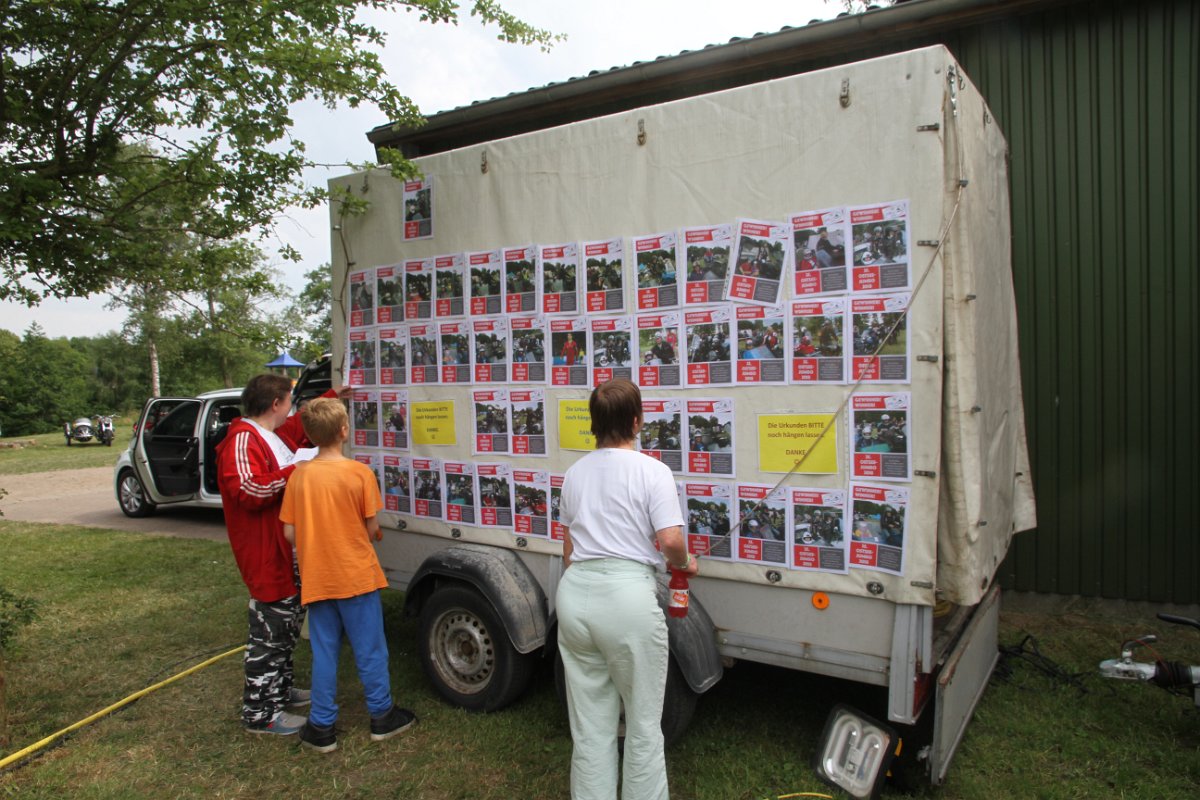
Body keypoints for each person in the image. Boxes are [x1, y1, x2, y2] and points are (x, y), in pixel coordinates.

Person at [556, 379, 700, 800]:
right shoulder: (653, 471)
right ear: (636, 421)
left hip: (576, 593)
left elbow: (568, 551)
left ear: (594, 424)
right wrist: (686, 564)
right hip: (626, 599)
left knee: (590, 725)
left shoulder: (574, 473)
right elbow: (671, 540)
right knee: (641, 723)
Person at [279, 398, 417, 753]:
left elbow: (290, 533)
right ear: (344, 430)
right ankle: (381, 716)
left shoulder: (299, 476)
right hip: (357, 576)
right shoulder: (359, 473)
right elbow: (372, 529)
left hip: (318, 578)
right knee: (369, 649)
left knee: (325, 652)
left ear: (308, 435)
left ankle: (322, 727)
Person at [216, 374, 341, 735]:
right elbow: (248, 487)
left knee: (285, 628)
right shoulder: (242, 438)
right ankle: (260, 714)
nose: (293, 407)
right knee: (268, 637)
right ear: (276, 404)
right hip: (265, 555)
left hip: (286, 553)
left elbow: (303, 429)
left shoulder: (271, 434)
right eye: (290, 400)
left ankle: (280, 692)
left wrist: (335, 395)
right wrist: (297, 472)